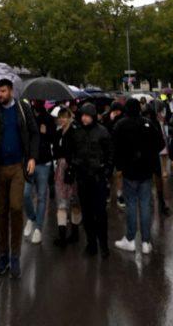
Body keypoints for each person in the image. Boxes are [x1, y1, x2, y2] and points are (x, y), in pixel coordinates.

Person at [0, 78, 39, 279]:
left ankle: (15, 256)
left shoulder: (23, 110)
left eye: (3, 91)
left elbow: (34, 134)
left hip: (18, 166)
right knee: (1, 212)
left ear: (11, 92)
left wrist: (32, 157)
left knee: (16, 208)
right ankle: (3, 257)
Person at [113, 98, 162, 254]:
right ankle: (146, 241)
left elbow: (115, 147)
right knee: (146, 205)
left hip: (129, 171)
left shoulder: (120, 125)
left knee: (132, 205)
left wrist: (120, 165)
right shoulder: (147, 123)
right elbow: (160, 143)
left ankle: (130, 238)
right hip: (146, 170)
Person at [71, 102, 113, 259]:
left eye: (87, 115)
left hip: (98, 178)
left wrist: (107, 170)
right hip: (83, 178)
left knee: (100, 214)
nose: (84, 118)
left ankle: (104, 245)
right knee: (87, 214)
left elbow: (110, 152)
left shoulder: (102, 132)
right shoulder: (77, 131)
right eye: (83, 115)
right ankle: (91, 244)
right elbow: (73, 151)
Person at [23, 100, 54, 246]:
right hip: (30, 161)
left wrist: (46, 132)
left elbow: (54, 136)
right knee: (26, 194)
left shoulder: (48, 118)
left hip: (44, 162)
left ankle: (39, 229)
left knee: (42, 196)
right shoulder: (27, 117)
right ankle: (31, 217)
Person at [51, 106, 83, 247]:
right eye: (60, 117)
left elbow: (78, 152)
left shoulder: (75, 132)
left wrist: (72, 164)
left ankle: (75, 233)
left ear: (70, 117)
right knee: (61, 203)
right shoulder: (58, 134)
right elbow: (56, 152)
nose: (62, 119)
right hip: (60, 171)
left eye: (65, 116)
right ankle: (62, 236)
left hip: (73, 171)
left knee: (75, 202)